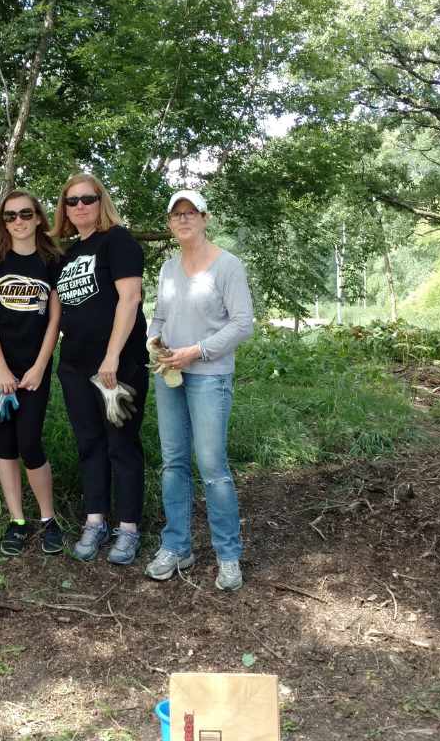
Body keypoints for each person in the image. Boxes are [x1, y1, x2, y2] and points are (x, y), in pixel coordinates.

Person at [144, 189, 255, 591]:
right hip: (169, 375)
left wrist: (197, 351)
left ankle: (228, 555)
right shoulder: (169, 269)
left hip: (210, 376)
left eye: (191, 212)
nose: (184, 219)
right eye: (177, 214)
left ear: (205, 218)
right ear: (170, 224)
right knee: (173, 463)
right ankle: (177, 546)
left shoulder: (228, 266)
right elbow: (158, 316)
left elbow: (243, 324)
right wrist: (152, 342)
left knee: (212, 468)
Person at [53, 173, 150, 564]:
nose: (79, 207)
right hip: (75, 367)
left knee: (121, 445)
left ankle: (128, 529)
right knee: (89, 443)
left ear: (100, 201)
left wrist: (111, 357)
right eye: (71, 201)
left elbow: (129, 299)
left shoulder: (119, 241)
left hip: (117, 368)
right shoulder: (67, 255)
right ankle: (96, 520)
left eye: (87, 199)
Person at [0, 190, 64, 556]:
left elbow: (55, 318)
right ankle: (17, 520)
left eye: (25, 213)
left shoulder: (52, 260)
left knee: (30, 443)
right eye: (9, 216)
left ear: (39, 217)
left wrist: (40, 366)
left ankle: (47, 519)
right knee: (5, 443)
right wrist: (0, 369)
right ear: (3, 222)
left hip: (35, 369)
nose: (18, 221)